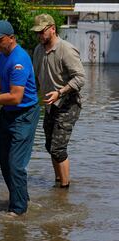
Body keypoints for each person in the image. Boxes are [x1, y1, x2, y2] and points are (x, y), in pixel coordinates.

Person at [0, 20, 40, 216]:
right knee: (4, 161)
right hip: (7, 113)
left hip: (24, 114)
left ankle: (18, 211)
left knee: (16, 164)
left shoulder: (18, 60)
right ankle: (21, 197)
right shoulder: (1, 55)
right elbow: (4, 84)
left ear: (11, 38)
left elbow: (15, 96)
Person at [31, 14, 85, 188]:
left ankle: (64, 187)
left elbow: (80, 78)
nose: (39, 35)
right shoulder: (38, 50)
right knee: (49, 145)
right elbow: (36, 79)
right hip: (49, 104)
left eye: (42, 31)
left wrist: (60, 92)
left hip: (68, 103)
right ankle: (58, 180)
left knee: (58, 148)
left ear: (53, 28)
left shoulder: (66, 49)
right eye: (37, 32)